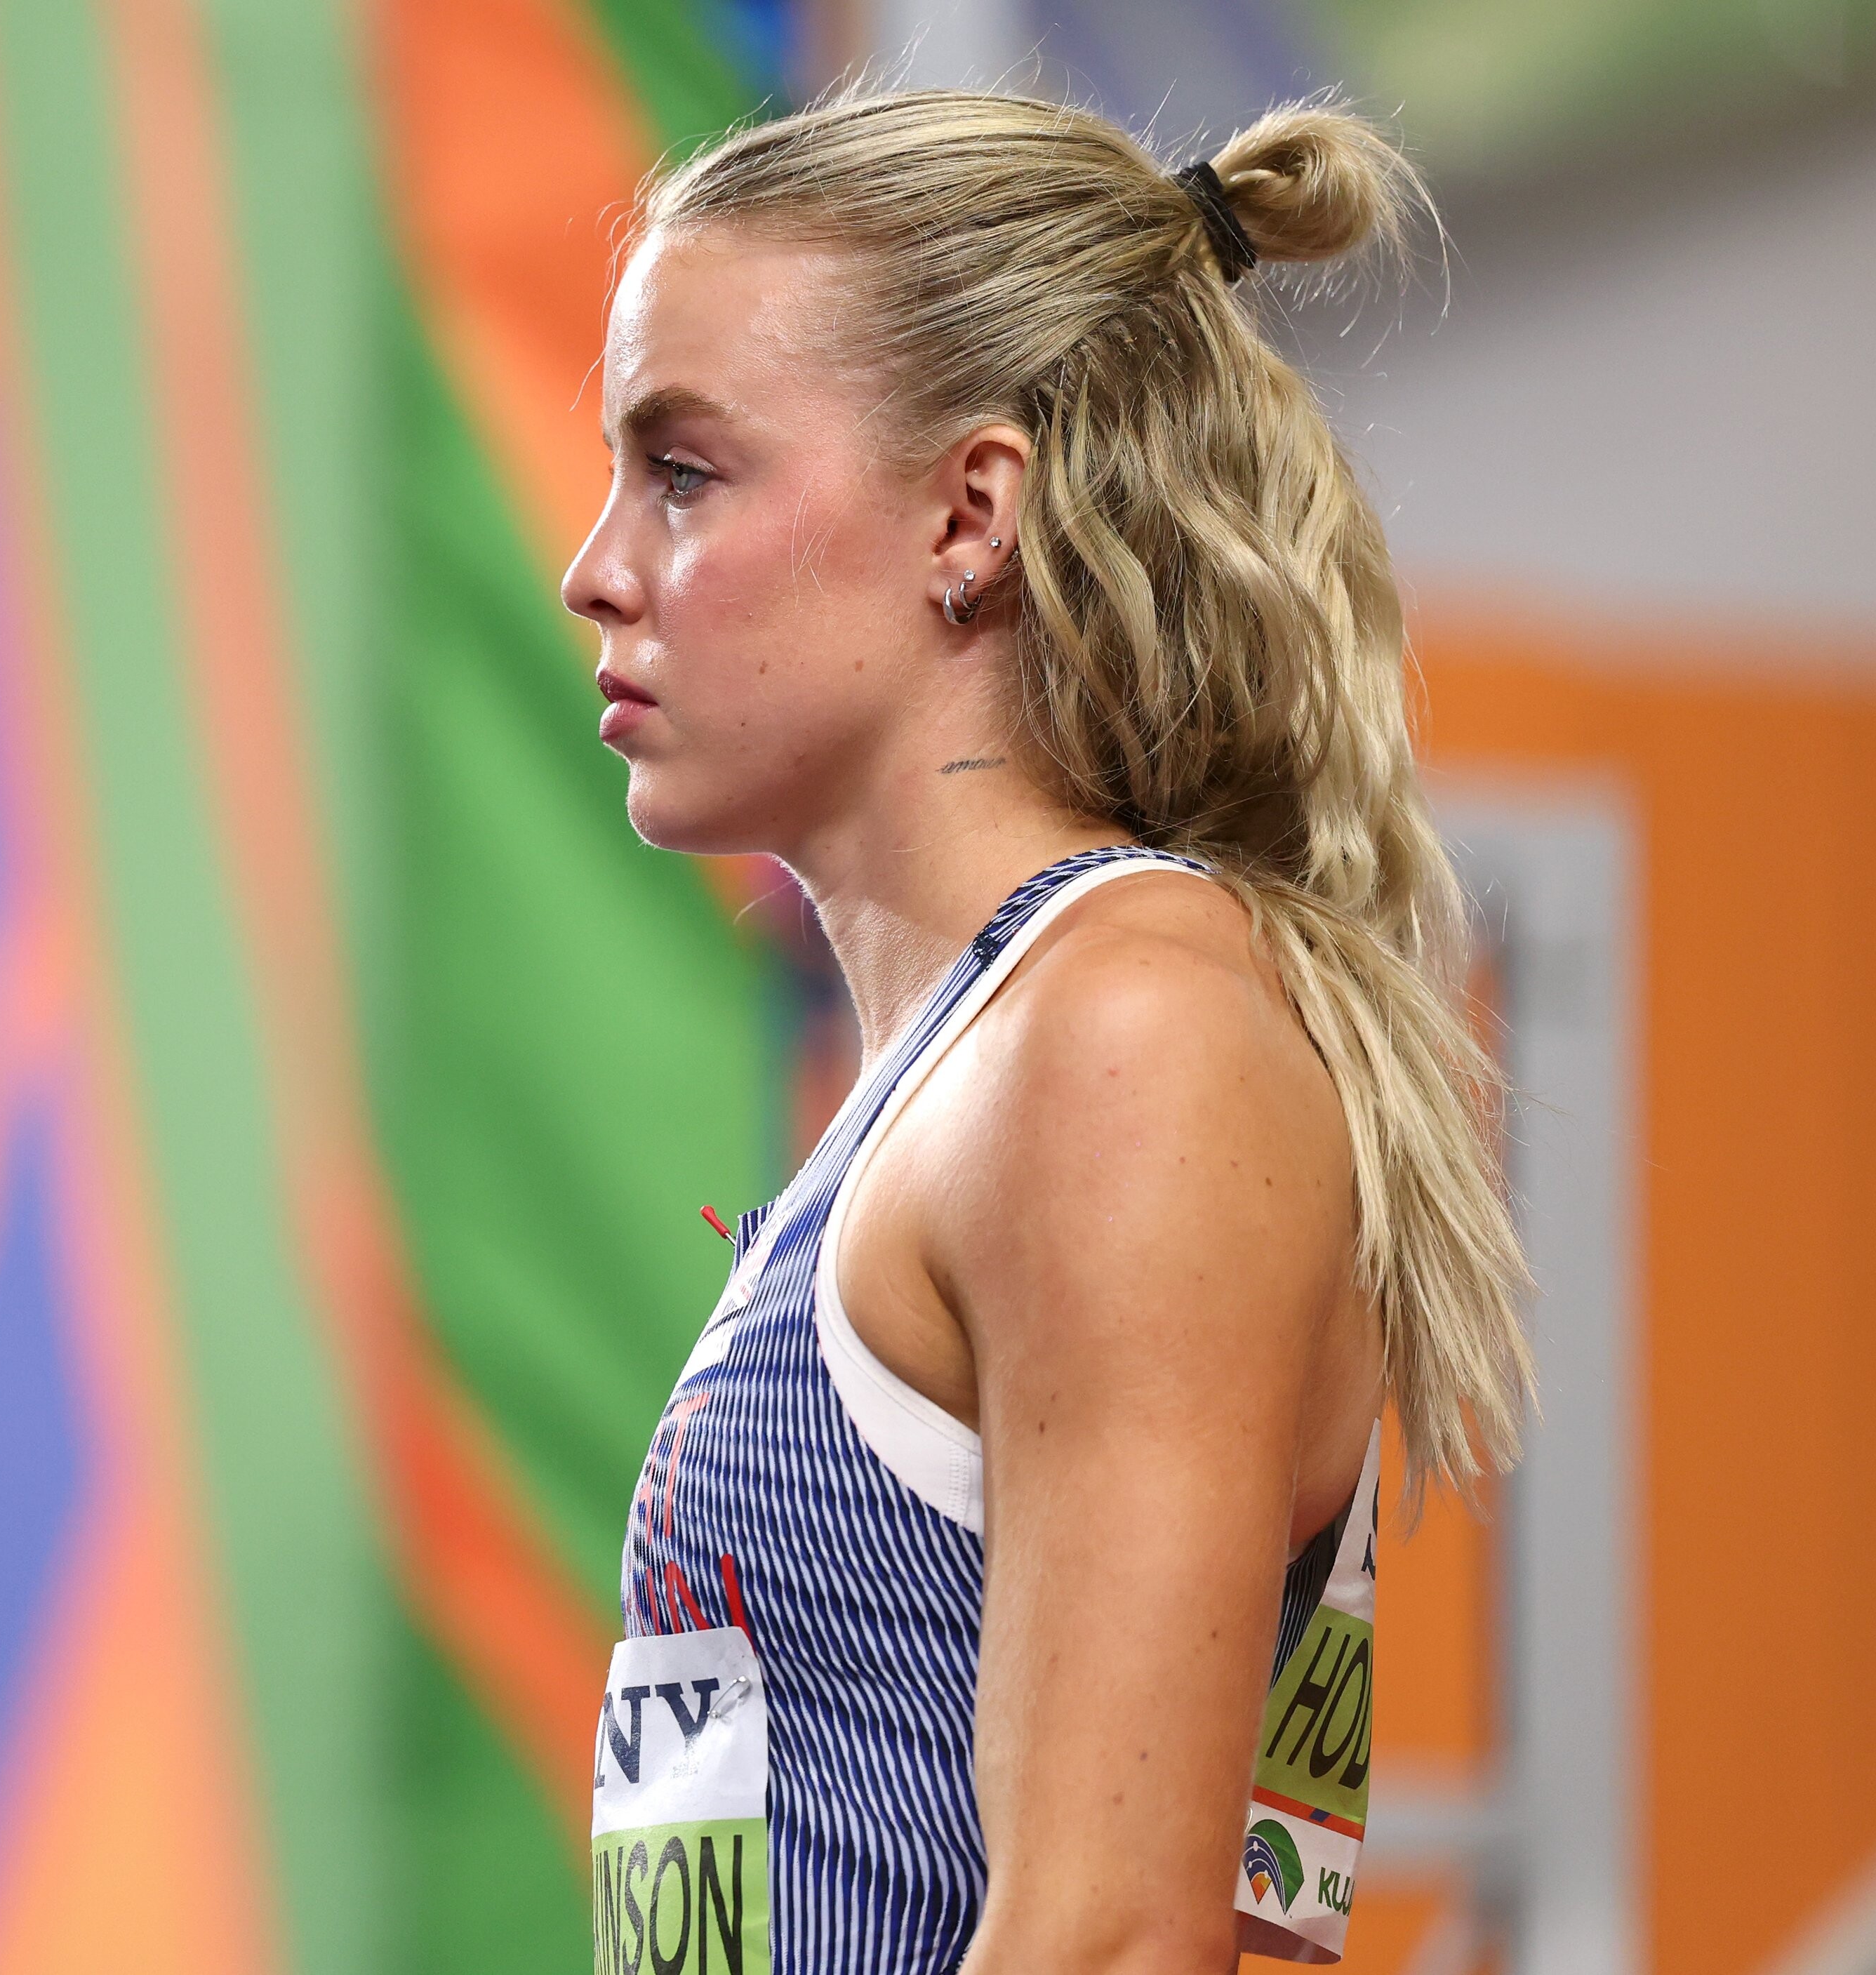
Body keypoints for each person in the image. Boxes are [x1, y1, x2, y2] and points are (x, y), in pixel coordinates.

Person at [563, 90, 1534, 1974]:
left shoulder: (1127, 1035)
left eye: (682, 471)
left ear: (970, 515)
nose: (597, 565)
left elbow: (1120, 1943)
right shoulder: (1001, 1054)